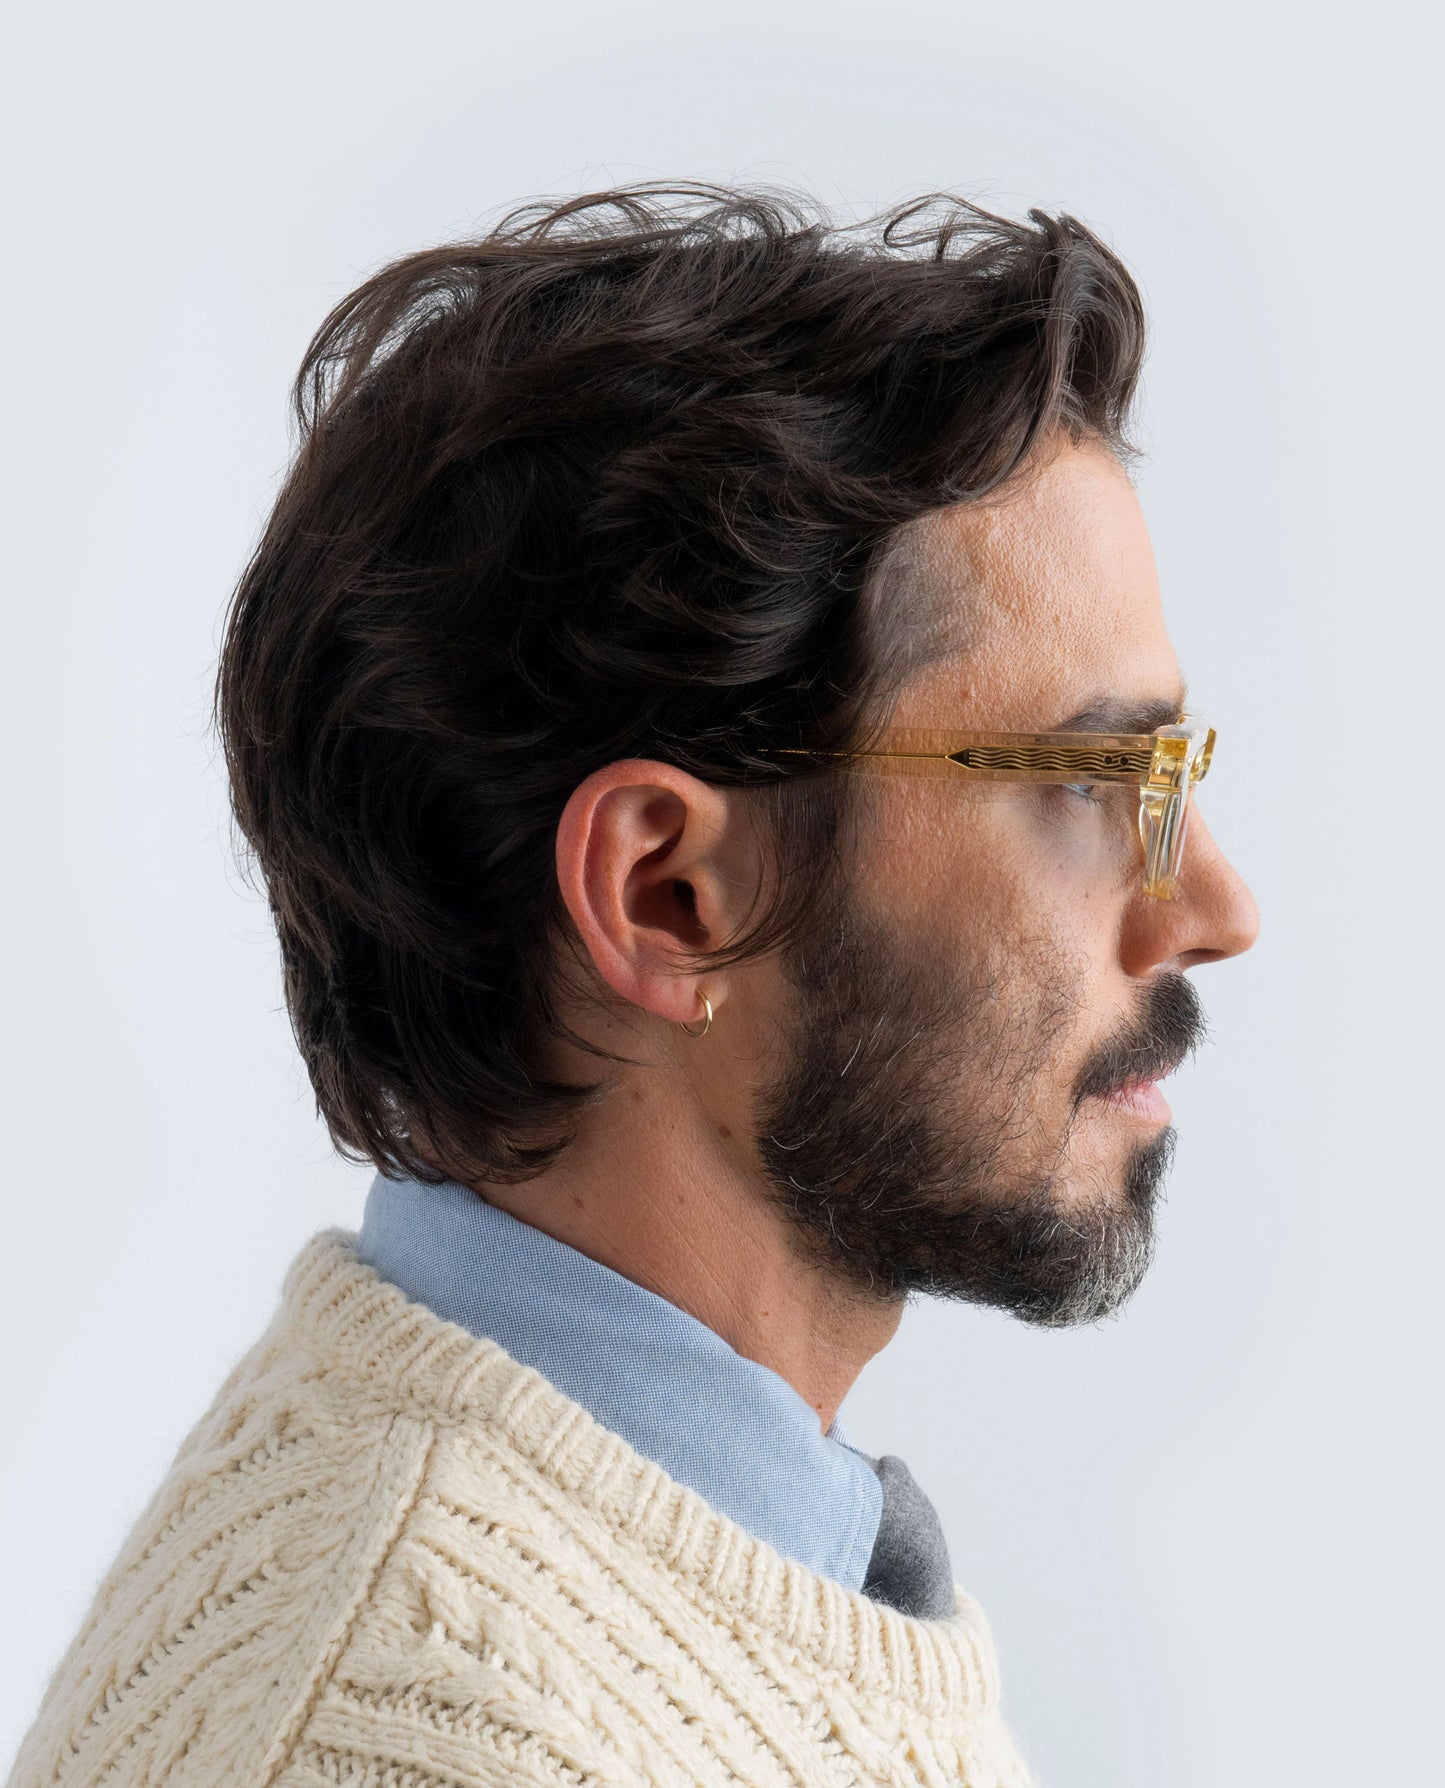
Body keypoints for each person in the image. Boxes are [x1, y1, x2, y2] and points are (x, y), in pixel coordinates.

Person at [7, 183, 1258, 1788]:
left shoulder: (728, 1554)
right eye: (1092, 780)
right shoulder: (416, 1739)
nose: (1211, 905)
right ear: (664, 897)